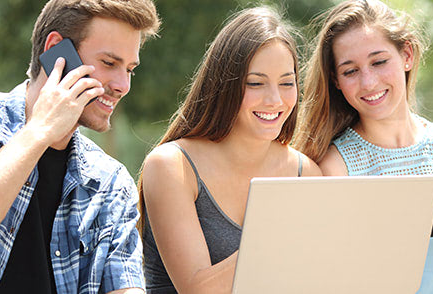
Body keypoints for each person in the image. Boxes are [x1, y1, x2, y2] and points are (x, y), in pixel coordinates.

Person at [293, 0, 433, 293]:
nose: (369, 81)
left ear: (407, 55)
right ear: (336, 81)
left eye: (379, 61)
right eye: (350, 71)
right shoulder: (333, 169)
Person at [0, 0, 160, 293]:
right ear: (56, 51)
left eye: (129, 69)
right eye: (109, 63)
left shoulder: (112, 184)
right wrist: (39, 132)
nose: (122, 85)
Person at [138, 6, 322, 294]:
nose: (275, 100)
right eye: (255, 83)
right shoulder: (172, 166)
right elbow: (199, 289)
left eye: (287, 83)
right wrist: (281, 233)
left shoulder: (307, 174)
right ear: (224, 84)